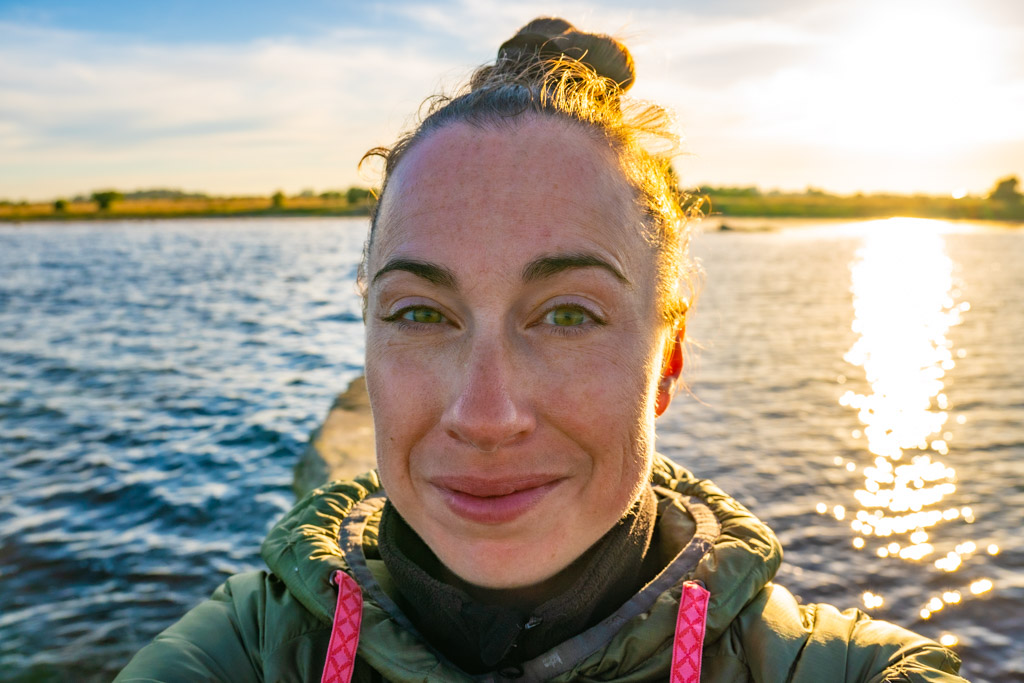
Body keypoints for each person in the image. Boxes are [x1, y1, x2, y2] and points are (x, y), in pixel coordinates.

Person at [116, 17, 968, 683]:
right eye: (419, 314)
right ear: (367, 345)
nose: (486, 415)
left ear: (666, 361)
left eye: (566, 316)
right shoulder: (245, 651)